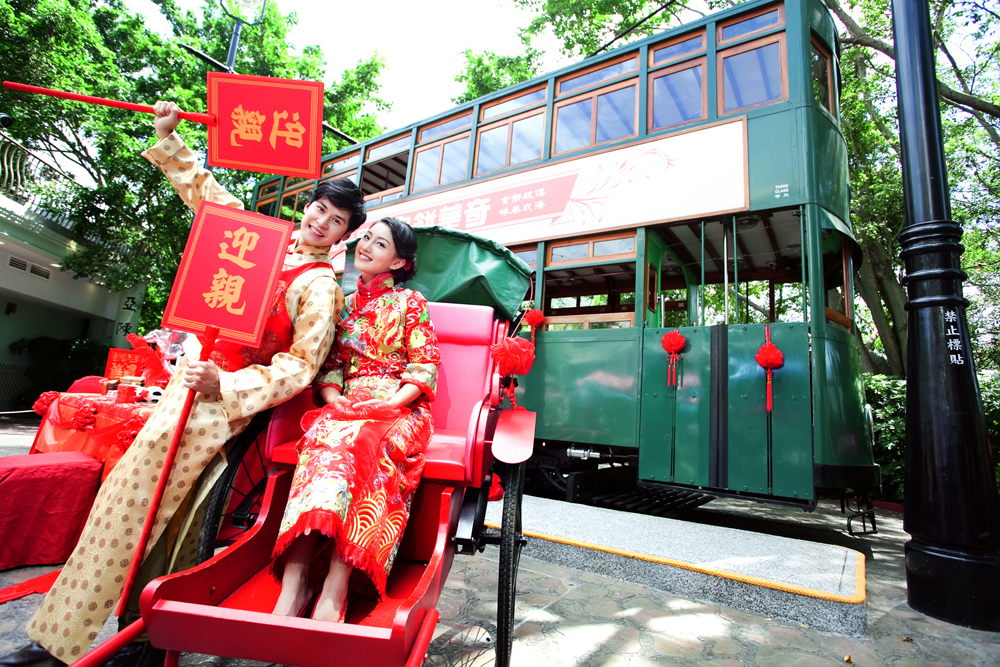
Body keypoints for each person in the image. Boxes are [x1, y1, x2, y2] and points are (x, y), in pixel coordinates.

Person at [0, 102, 365, 667]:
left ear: (345, 234)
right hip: (182, 391)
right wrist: (170, 140)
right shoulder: (261, 239)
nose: (321, 222)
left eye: (336, 220)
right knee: (129, 507)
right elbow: (210, 201)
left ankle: (135, 640)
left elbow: (301, 365)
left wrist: (227, 384)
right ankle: (69, 640)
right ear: (307, 206)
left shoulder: (320, 287)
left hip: (224, 407)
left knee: (164, 516)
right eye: (319, 208)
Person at [270, 217, 440, 622]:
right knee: (320, 438)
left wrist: (389, 404)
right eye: (366, 237)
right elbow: (330, 364)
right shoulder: (342, 303)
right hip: (346, 401)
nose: (366, 246)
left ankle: (336, 583)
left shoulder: (410, 302)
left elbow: (424, 365)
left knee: (363, 441)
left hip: (399, 405)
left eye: (380, 244)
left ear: (398, 263)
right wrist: (335, 400)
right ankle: (296, 580)